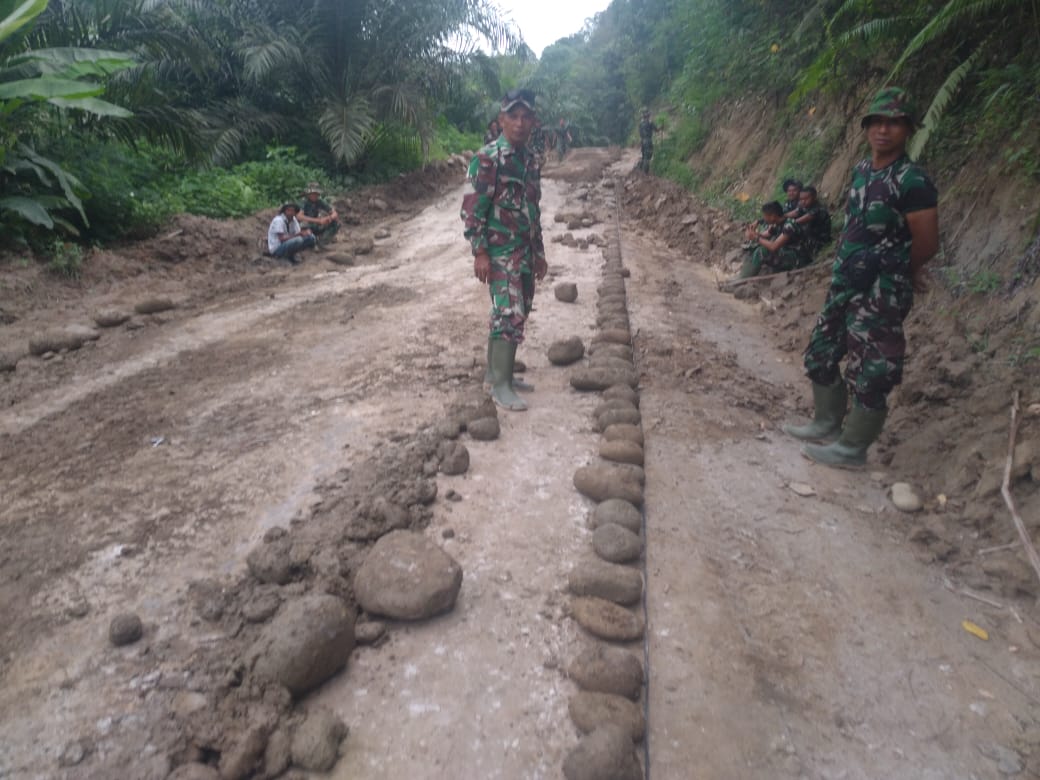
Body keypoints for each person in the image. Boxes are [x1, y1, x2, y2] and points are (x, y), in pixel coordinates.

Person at [784, 87, 939, 467]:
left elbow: (927, 242)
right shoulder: (862, 171)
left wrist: (900, 270)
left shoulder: (912, 181)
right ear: (867, 127)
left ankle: (853, 448)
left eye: (895, 123)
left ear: (908, 130)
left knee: (872, 368)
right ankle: (826, 421)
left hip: (881, 290)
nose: (884, 130)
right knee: (820, 351)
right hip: (846, 281)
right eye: (877, 122)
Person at [460, 88, 547, 412]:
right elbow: (472, 209)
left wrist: (538, 252)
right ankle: (501, 385)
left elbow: (532, 209)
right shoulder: (488, 158)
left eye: (526, 117)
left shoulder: (530, 160)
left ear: (534, 121)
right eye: (513, 116)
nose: (520, 123)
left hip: (523, 252)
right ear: (502, 120)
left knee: (516, 308)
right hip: (498, 252)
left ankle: (496, 372)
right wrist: (480, 252)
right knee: (509, 314)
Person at [739, 201, 810, 278]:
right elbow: (765, 235)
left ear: (773, 216)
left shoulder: (789, 225)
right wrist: (753, 234)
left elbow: (774, 247)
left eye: (765, 216)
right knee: (754, 247)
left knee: (761, 251)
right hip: (788, 253)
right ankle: (745, 275)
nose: (764, 219)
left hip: (798, 258)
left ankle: (743, 279)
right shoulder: (777, 224)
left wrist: (756, 237)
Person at [793, 185, 832, 259]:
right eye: (801, 199)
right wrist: (781, 217)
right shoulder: (805, 206)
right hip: (809, 238)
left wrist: (785, 222)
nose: (803, 201)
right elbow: (793, 213)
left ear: (814, 197)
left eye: (806, 199)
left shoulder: (818, 209)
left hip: (819, 242)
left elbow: (798, 221)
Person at [297, 182, 340, 247]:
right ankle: (311, 241)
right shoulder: (303, 201)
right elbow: (299, 216)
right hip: (305, 225)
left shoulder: (319, 201)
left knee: (335, 222)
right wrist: (318, 220)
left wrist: (329, 218)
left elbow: (334, 213)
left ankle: (322, 241)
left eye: (316, 193)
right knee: (304, 225)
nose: (315, 195)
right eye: (312, 193)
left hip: (315, 225)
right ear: (308, 194)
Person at [638, 109, 656, 174]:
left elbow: (640, 133)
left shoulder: (640, 124)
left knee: (644, 155)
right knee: (648, 155)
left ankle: (641, 169)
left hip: (642, 141)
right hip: (648, 140)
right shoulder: (650, 123)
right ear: (648, 116)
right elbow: (656, 130)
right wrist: (662, 127)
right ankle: (645, 171)